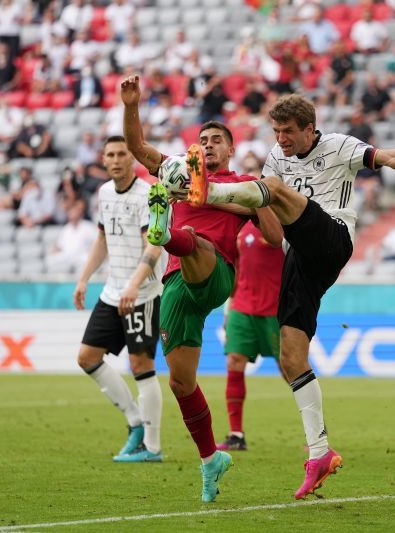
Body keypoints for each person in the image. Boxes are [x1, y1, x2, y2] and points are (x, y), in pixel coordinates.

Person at [184, 93, 395, 499]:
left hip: (332, 238)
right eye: (277, 131)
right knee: (291, 355)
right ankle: (319, 452)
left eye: (289, 131)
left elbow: (392, 158)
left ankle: (208, 191)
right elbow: (271, 228)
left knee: (269, 187)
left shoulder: (339, 146)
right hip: (299, 256)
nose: (282, 138)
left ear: (309, 128)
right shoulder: (276, 158)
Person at [120, 75, 283, 502]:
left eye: (216, 140)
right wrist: (132, 104)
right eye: (203, 140)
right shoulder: (177, 169)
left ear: (230, 149)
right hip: (176, 287)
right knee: (181, 382)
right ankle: (212, 459)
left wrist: (239, 199)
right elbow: (138, 149)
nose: (208, 144)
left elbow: (271, 235)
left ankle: (164, 233)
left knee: (193, 237)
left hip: (216, 273)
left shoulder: (242, 181)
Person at [73, 135, 165, 464]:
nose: (114, 159)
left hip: (141, 293)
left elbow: (153, 247)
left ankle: (152, 447)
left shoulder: (149, 195)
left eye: (121, 154)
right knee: (86, 357)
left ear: (132, 159)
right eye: (109, 154)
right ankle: (135, 422)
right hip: (113, 291)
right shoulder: (104, 192)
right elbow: (102, 238)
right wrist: (84, 279)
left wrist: (133, 285)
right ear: (103, 158)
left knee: (142, 365)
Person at [217, 221, 286, 451]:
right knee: (234, 361)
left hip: (276, 312)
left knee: (290, 369)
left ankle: (315, 431)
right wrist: (228, 309)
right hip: (241, 307)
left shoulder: (281, 224)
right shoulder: (240, 226)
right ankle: (236, 435)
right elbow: (235, 269)